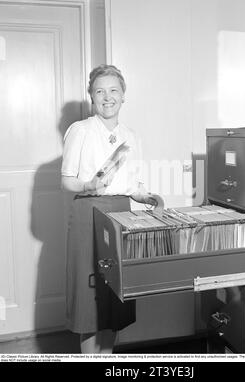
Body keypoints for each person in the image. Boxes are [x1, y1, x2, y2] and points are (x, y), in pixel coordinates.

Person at [61, 64, 161, 353]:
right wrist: (87, 185)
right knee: (89, 298)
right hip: (87, 214)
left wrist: (147, 197)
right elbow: (67, 181)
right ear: (91, 96)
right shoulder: (79, 131)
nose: (107, 97)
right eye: (100, 91)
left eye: (113, 90)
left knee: (114, 296)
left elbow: (133, 185)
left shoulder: (131, 136)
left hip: (121, 213)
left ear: (123, 95)